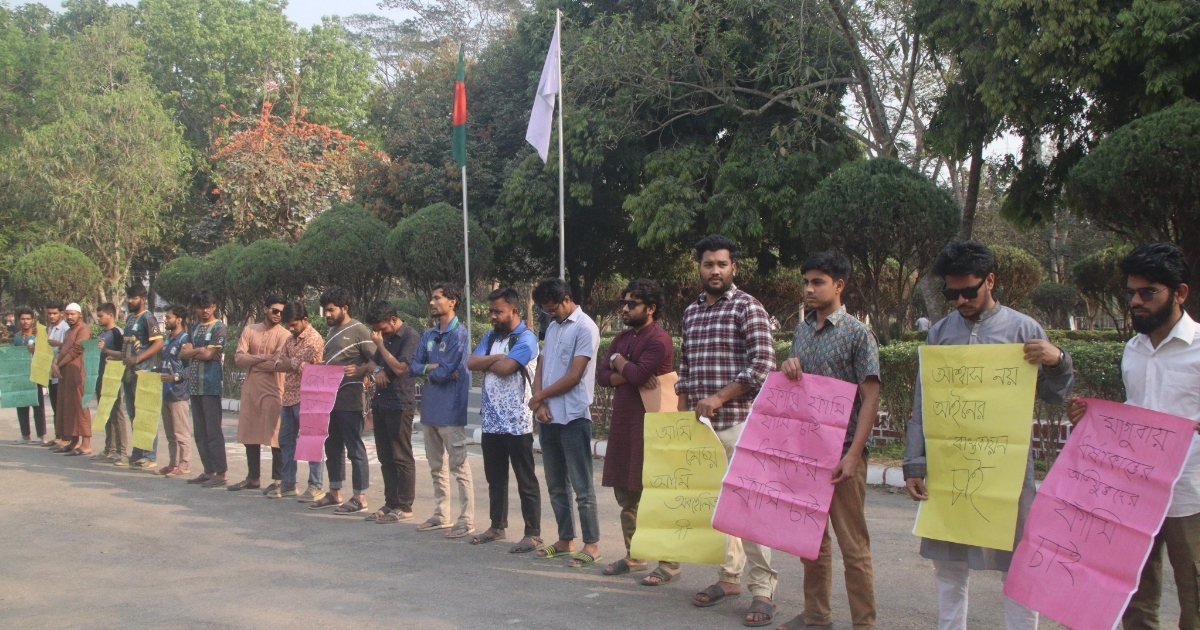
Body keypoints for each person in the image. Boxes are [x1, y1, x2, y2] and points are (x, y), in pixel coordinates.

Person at [903, 241, 1074, 630]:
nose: (960, 299)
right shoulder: (940, 334)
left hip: (1008, 471)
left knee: (1017, 566)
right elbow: (924, 400)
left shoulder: (1024, 329)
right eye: (952, 293)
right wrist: (915, 462)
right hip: (950, 469)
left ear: (990, 281)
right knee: (948, 565)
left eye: (969, 291)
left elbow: (1052, 394)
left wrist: (1057, 361)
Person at [1065, 243, 1200, 629]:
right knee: (1134, 598)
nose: (1135, 302)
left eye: (1147, 292)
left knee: (1195, 599)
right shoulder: (1133, 350)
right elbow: (1134, 417)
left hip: (1190, 496)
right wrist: (1093, 420)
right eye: (1130, 293)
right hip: (1134, 496)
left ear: (1180, 293)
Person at [675, 234, 778, 626]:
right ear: (699, 268)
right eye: (708, 264)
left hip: (740, 424)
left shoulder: (748, 307)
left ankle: (763, 590)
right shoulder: (691, 313)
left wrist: (718, 398)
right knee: (716, 510)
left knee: (750, 510)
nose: (714, 270)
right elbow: (685, 373)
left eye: (722, 264)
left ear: (733, 268)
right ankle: (728, 578)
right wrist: (684, 422)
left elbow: (763, 366)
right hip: (701, 431)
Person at [777, 251, 881, 630]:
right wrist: (789, 368)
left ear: (839, 286)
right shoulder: (802, 331)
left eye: (817, 282)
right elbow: (796, 386)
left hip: (842, 455)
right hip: (806, 453)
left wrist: (854, 455)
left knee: (854, 547)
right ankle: (817, 616)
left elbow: (870, 397)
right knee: (811, 542)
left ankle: (863, 624)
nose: (809, 288)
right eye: (806, 281)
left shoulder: (857, 333)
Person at [595, 279, 677, 584]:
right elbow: (603, 377)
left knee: (657, 496)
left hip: (653, 427)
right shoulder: (620, 339)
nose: (625, 308)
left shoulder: (660, 340)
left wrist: (620, 363)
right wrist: (622, 370)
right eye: (624, 303)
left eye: (632, 304)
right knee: (627, 496)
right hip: (624, 426)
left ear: (650, 309)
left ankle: (669, 563)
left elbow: (642, 373)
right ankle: (636, 554)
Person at [528, 277, 602, 568]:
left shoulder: (586, 328)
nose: (551, 314)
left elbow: (574, 376)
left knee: (582, 486)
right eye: (546, 310)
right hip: (549, 416)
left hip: (573, 417)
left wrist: (540, 397)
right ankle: (565, 539)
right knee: (556, 483)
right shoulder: (554, 327)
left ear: (567, 299)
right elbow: (542, 364)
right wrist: (539, 400)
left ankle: (592, 544)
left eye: (553, 308)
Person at [467, 287, 542, 551]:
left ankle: (532, 533)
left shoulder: (526, 339)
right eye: (491, 311)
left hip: (517, 422)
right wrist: (495, 358)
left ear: (514, 310)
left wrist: (493, 361)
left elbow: (507, 368)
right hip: (491, 421)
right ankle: (496, 526)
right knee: (495, 478)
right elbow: (471, 363)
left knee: (525, 478)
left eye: (497, 311)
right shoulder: (490, 337)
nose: (492, 316)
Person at [411, 283, 475, 538]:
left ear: (453, 301)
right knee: (436, 466)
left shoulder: (459, 334)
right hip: (429, 411)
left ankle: (466, 519)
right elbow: (413, 366)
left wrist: (434, 369)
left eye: (437, 298)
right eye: (432, 297)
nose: (432, 302)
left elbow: (447, 370)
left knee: (459, 467)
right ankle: (441, 514)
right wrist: (430, 368)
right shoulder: (427, 336)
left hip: (451, 410)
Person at [308, 286, 375, 515]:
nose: (327, 314)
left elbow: (376, 361)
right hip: (329, 397)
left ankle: (359, 496)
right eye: (324, 310)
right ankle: (335, 491)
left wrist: (360, 369)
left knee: (354, 446)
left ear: (344, 308)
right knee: (332, 445)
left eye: (331, 310)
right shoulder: (331, 331)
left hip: (351, 396)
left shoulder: (359, 330)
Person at [361, 300, 420, 523]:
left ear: (393, 320)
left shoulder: (410, 337)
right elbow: (370, 364)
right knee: (385, 456)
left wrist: (382, 347)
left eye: (382, 328)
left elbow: (400, 368)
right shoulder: (383, 337)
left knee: (401, 455)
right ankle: (391, 501)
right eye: (376, 330)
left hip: (400, 402)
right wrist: (376, 370)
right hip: (381, 403)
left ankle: (404, 505)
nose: (379, 333)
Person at [229, 295, 289, 492]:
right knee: (250, 433)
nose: (278, 315)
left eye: (281, 312)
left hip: (274, 389)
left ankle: (279, 480)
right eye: (275, 310)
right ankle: (253, 478)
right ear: (265, 309)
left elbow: (278, 362)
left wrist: (253, 360)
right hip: (251, 389)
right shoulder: (250, 329)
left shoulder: (284, 334)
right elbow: (238, 358)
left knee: (275, 435)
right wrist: (265, 358)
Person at [271, 301, 325, 501]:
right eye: (288, 325)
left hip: (309, 396)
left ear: (305, 320)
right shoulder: (289, 339)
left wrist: (291, 363)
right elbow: (278, 363)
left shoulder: (314, 339)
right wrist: (294, 363)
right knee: (286, 442)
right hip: (288, 397)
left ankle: (315, 485)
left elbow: (309, 367)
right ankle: (288, 483)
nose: (290, 328)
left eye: (294, 324)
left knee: (311, 441)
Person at [181, 290, 228, 488]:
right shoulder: (194, 328)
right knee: (200, 431)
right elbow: (184, 353)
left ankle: (221, 472)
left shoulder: (219, 328)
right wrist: (199, 350)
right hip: (194, 384)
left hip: (210, 384)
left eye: (208, 307)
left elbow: (209, 355)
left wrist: (197, 351)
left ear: (214, 306)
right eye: (200, 307)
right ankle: (208, 470)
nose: (204, 311)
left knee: (213, 430)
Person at [121, 284, 163, 469]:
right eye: (129, 298)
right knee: (134, 415)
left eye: (134, 298)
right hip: (129, 375)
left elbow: (159, 343)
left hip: (145, 373)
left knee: (146, 415)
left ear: (143, 299)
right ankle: (137, 452)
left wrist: (139, 357)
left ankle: (149, 455)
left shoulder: (148, 319)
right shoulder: (130, 319)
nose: (130, 301)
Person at [155, 305, 192, 478]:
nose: (165, 320)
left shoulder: (185, 340)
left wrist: (175, 377)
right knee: (170, 433)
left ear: (179, 319)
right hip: (165, 392)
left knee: (181, 432)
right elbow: (165, 365)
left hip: (178, 393)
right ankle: (172, 463)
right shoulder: (168, 339)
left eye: (168, 317)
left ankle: (184, 464)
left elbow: (190, 369)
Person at [56, 303, 93, 456]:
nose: (70, 317)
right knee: (68, 406)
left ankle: (86, 444)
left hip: (77, 373)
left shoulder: (83, 329)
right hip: (66, 373)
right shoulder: (69, 330)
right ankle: (73, 441)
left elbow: (77, 349)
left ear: (80, 315)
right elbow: (63, 349)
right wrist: (55, 363)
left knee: (80, 407)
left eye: (73, 314)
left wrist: (59, 364)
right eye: (68, 314)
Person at [93, 302, 128, 463]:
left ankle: (122, 451)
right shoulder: (102, 332)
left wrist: (108, 352)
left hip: (114, 378)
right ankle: (109, 448)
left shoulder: (116, 332)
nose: (98, 318)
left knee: (117, 413)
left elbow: (124, 354)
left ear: (111, 315)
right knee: (106, 412)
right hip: (102, 377)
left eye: (101, 316)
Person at [11, 308, 46, 445]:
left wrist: (36, 349)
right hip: (21, 374)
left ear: (33, 320)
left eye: (28, 319)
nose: (25, 321)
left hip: (36, 373)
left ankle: (41, 435)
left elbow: (45, 353)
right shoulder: (18, 336)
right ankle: (25, 435)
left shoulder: (39, 336)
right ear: (19, 320)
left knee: (38, 405)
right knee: (21, 404)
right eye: (22, 319)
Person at [43, 302, 70, 451]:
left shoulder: (65, 328)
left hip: (61, 372)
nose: (52, 316)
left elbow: (70, 347)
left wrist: (58, 343)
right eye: (49, 313)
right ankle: (58, 436)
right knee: (55, 406)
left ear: (61, 313)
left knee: (62, 406)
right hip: (50, 372)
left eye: (54, 313)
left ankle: (66, 438)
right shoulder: (50, 329)